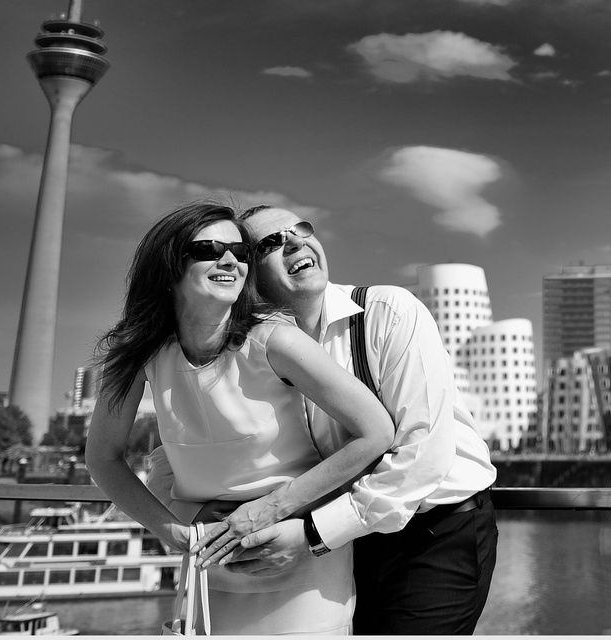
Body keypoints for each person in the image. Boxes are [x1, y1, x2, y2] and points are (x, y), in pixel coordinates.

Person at [152, 205, 498, 634]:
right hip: (346, 539)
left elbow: (424, 453)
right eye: (271, 243)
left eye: (302, 228)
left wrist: (313, 534)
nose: (295, 241)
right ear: (247, 275)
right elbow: (181, 441)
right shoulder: (252, 346)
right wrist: (188, 512)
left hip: (431, 534)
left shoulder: (387, 311)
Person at [85, 201, 395, 634]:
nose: (230, 260)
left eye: (241, 252)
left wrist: (273, 510)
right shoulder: (139, 354)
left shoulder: (276, 340)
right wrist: (171, 529)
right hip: (206, 560)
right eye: (210, 249)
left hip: (293, 559)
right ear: (169, 265)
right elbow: (103, 458)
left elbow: (376, 432)